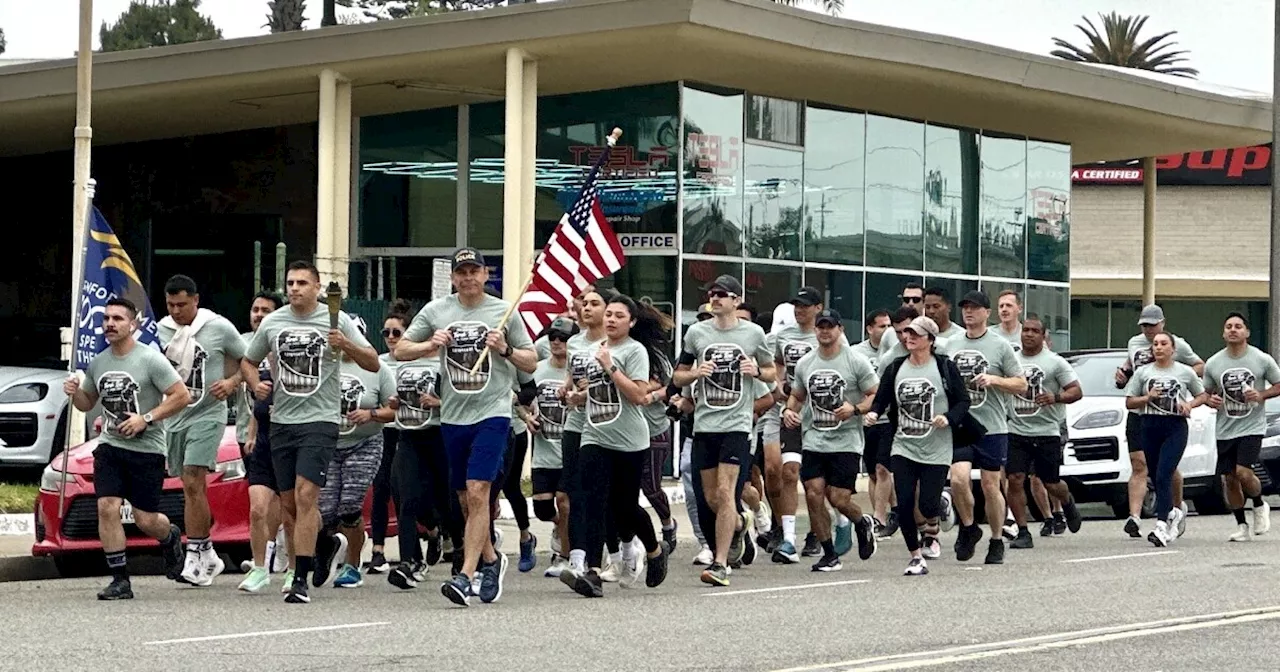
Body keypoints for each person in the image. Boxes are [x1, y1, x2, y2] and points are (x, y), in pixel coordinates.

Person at [395, 247, 537, 607]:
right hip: (453, 416)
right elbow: (401, 350)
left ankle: (465, 575)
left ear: (485, 274)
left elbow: (531, 362)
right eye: (462, 272)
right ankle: (492, 560)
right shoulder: (436, 311)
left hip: (493, 414)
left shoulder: (503, 311)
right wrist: (431, 343)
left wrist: (504, 350)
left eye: (474, 271)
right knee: (464, 499)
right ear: (454, 277)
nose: (468, 277)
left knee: (478, 492)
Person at [241, 260, 380, 604]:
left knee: (306, 496)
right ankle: (322, 543)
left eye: (303, 282)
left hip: (320, 420)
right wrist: (257, 384)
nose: (295, 288)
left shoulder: (337, 319)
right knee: (288, 503)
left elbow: (373, 361)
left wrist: (345, 344)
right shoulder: (273, 322)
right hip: (282, 421)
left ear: (318, 287)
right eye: (290, 282)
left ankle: (299, 577)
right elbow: (248, 360)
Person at [64, 298, 188, 600]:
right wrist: (74, 392)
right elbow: (87, 403)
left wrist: (145, 418)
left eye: (118, 318)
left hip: (147, 449)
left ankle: (170, 536)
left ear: (133, 324)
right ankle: (120, 579)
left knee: (146, 519)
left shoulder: (150, 360)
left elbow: (180, 395)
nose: (110, 323)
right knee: (107, 506)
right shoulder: (99, 362)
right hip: (110, 445)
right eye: (106, 318)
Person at [672, 274, 776, 587]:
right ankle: (742, 521)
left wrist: (756, 370)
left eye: (722, 294)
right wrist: (694, 374)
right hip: (705, 424)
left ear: (736, 299)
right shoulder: (697, 333)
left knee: (724, 491)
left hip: (737, 424)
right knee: (709, 499)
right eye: (711, 294)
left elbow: (772, 373)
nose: (715, 298)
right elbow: (677, 377)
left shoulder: (753, 333)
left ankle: (720, 564)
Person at [565, 295, 672, 597]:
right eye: (608, 314)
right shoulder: (590, 350)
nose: (611, 320)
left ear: (632, 322)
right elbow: (596, 392)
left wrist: (611, 368)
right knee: (591, 501)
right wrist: (576, 397)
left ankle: (653, 550)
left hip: (629, 439)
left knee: (624, 508)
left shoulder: (635, 351)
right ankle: (592, 572)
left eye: (619, 316)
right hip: (594, 434)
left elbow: (638, 395)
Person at [156, 274, 245, 586]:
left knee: (195, 478)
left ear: (195, 300)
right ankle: (207, 552)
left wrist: (232, 382)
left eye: (183, 304)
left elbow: (248, 357)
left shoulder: (217, 327)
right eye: (171, 305)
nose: (177, 311)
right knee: (186, 483)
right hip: (175, 416)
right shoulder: (160, 331)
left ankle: (195, 552)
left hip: (208, 413)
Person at [865, 316, 969, 576]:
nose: (909, 337)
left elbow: (963, 401)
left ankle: (940, 506)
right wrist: (874, 414)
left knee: (927, 504)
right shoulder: (896, 366)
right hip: (904, 445)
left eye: (916, 334)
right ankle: (915, 556)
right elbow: (882, 398)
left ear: (930, 341)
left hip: (937, 446)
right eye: (907, 333)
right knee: (905, 501)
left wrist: (948, 418)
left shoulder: (945, 367)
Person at [782, 308, 879, 571]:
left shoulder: (855, 361)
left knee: (838, 499)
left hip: (846, 441)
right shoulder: (805, 363)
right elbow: (798, 396)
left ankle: (862, 522)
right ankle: (829, 553)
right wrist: (789, 411)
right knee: (813, 495)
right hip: (814, 439)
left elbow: (875, 395)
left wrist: (855, 409)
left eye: (830, 326)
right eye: (820, 326)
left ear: (840, 330)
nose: (825, 331)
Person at [947, 291, 1026, 565]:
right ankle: (969, 527)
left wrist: (994, 380)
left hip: (992, 425)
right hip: (962, 425)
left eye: (974, 308)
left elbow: (1021, 383)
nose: (969, 312)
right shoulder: (950, 344)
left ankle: (995, 539)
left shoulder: (1000, 345)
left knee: (991, 485)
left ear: (986, 313)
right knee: (958, 478)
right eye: (965, 308)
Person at [1114, 305, 1204, 539]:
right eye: (1144, 325)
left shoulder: (1179, 347)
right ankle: (1135, 517)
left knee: (1166, 471)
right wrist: (1124, 373)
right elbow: (1130, 379)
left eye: (1152, 325)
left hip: (1173, 420)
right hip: (1144, 416)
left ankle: (1171, 513)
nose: (1148, 330)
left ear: (1162, 323)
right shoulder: (1135, 345)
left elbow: (1199, 369)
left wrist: (1182, 389)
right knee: (1141, 465)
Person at [322, 314, 396, 588]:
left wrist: (371, 413)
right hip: (329, 445)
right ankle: (329, 555)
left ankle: (353, 566)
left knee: (350, 506)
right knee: (326, 510)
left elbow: (394, 410)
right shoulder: (328, 365)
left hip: (365, 443)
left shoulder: (377, 369)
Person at [769, 286, 838, 563]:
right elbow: (776, 364)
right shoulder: (783, 336)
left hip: (820, 416)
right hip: (792, 410)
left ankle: (818, 530)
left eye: (806, 305)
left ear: (818, 308)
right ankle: (788, 538)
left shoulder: (826, 336)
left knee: (817, 481)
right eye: (796, 305)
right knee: (789, 471)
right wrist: (778, 386)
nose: (800, 310)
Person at [1005, 316, 1084, 549]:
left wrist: (1055, 397)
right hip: (1016, 430)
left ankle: (1067, 502)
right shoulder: (1011, 361)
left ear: (1043, 336)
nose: (1028, 334)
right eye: (1025, 330)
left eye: (1034, 331)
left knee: (1051, 483)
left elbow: (1076, 391)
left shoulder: (1055, 362)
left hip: (1047, 430)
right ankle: (1022, 531)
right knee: (1015, 479)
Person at [386, 302, 449, 590]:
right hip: (407, 435)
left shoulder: (444, 364)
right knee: (405, 498)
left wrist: (439, 402)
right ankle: (408, 561)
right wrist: (394, 404)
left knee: (442, 501)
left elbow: (464, 399)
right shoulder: (399, 361)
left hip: (437, 435)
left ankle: (452, 543)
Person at [1202, 312, 1280, 541]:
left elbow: (1278, 384)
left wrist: (1262, 394)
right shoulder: (1214, 363)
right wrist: (1211, 400)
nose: (1233, 330)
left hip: (1252, 426)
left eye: (1238, 326)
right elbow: (1206, 393)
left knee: (1243, 471)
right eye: (1228, 327)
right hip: (1225, 427)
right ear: (1223, 333)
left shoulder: (1261, 359)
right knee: (1229, 479)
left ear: (1247, 332)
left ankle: (1258, 503)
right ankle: (1242, 526)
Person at [235, 292, 289, 578]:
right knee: (260, 501)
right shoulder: (244, 343)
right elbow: (238, 373)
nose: (258, 315)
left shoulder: (283, 342)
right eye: (255, 309)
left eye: (265, 310)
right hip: (251, 429)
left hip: (288, 430)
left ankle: (278, 548)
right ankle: (264, 557)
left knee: (285, 499)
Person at [368, 299, 414, 575]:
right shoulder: (380, 363)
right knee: (381, 487)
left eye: (397, 333)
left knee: (407, 490)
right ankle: (378, 550)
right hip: (384, 431)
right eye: (386, 333)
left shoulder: (417, 359)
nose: (391, 339)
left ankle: (432, 532)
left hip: (411, 431)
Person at [528, 317, 576, 576]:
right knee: (544, 509)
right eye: (553, 337)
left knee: (565, 502)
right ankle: (563, 526)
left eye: (564, 338)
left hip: (570, 451)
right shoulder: (537, 370)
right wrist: (528, 418)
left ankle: (564, 555)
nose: (557, 342)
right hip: (544, 451)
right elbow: (521, 398)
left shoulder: (577, 371)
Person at [854, 310, 896, 537]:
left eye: (890, 326)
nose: (887, 331)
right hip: (866, 419)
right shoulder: (857, 353)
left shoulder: (897, 352)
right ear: (870, 328)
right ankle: (892, 510)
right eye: (882, 326)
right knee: (872, 472)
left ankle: (879, 518)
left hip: (889, 418)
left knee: (883, 468)